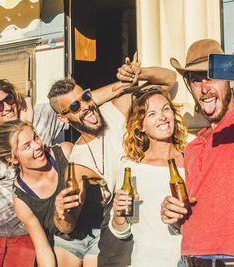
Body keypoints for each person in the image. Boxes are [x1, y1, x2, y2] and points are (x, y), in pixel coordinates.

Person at [0, 78, 130, 267]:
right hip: (13, 226)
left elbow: (78, 103)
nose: (7, 107)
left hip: (79, 228)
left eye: (9, 99)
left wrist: (122, 84)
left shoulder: (47, 120)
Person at [161, 39, 234, 266]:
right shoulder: (193, 146)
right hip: (187, 260)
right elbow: (194, 213)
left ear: (230, 81)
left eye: (211, 76)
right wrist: (173, 215)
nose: (204, 87)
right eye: (196, 80)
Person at [47, 61, 177, 266]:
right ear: (63, 119)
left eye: (86, 97)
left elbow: (169, 79)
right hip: (128, 218)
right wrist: (60, 214)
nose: (86, 107)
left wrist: (137, 74)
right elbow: (67, 225)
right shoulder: (79, 161)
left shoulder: (115, 109)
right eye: (74, 106)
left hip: (161, 200)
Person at [0, 119, 104, 267]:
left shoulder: (65, 152)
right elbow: (43, 249)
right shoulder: (21, 199)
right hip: (66, 242)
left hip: (99, 228)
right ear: (13, 159)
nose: (37, 146)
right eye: (27, 146)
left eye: (35, 137)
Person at [109, 87, 187, 267]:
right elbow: (121, 231)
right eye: (151, 114)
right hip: (147, 261)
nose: (162, 117)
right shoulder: (131, 168)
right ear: (141, 126)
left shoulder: (192, 160)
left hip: (188, 258)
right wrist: (119, 214)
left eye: (166, 109)